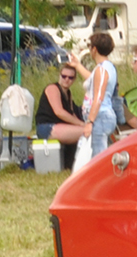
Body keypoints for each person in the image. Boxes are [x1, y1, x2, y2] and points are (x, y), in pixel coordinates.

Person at [32, 57, 88, 167]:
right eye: (64, 76)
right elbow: (59, 112)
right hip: (47, 127)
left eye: (70, 77)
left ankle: (75, 163)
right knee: (86, 132)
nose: (67, 79)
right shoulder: (53, 88)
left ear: (74, 79)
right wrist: (82, 124)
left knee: (88, 131)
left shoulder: (68, 94)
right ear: (59, 76)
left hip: (59, 126)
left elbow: (71, 114)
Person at [79, 32, 119, 162]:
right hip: (101, 116)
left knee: (98, 155)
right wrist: (76, 64)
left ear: (94, 49)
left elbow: (98, 97)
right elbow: (92, 79)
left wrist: (90, 121)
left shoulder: (102, 70)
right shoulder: (105, 67)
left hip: (100, 117)